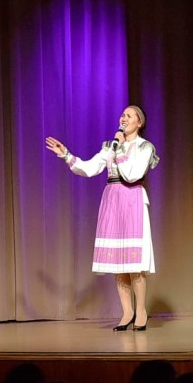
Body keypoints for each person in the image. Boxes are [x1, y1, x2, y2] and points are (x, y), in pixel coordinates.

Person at [45, 105, 160, 331]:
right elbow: (89, 168)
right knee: (118, 262)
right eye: (122, 115)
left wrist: (118, 151)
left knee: (134, 263)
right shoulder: (110, 146)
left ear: (140, 122)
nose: (124, 118)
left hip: (132, 199)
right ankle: (127, 312)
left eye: (129, 115)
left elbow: (132, 174)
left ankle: (141, 311)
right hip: (112, 201)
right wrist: (66, 154)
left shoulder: (144, 147)